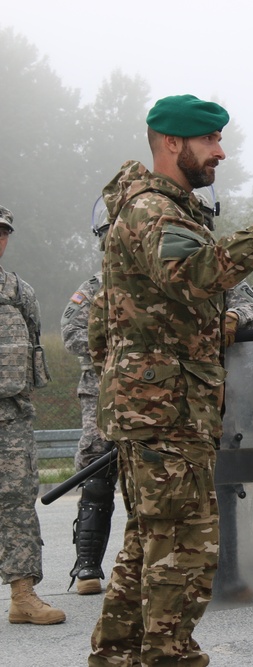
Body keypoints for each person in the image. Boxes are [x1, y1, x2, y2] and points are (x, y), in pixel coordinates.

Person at [87, 94, 253, 666]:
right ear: (172, 143)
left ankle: (117, 657)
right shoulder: (152, 211)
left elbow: (117, 319)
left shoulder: (158, 208)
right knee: (185, 546)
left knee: (149, 541)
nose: (220, 150)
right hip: (164, 411)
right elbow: (196, 274)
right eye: (209, 140)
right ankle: (169, 657)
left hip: (156, 406)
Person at [0, 204, 65, 625]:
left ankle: (24, 595)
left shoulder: (19, 291)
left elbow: (33, 346)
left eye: (3, 231)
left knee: (18, 501)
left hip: (11, 416)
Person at [60, 200, 115, 596]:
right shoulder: (91, 290)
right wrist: (116, 349)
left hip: (149, 396)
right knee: (96, 476)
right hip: (100, 394)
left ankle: (148, 564)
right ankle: (88, 566)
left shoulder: (154, 285)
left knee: (150, 480)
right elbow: (72, 335)